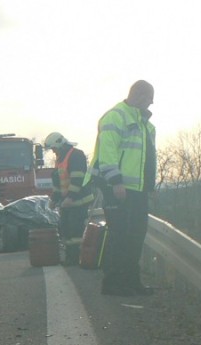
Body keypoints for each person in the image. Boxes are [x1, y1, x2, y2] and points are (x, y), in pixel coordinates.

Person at [85, 80, 157, 295]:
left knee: (135, 237)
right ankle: (113, 283)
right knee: (119, 236)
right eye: (150, 99)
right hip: (117, 187)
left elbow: (147, 159)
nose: (151, 104)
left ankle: (132, 282)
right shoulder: (115, 117)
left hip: (138, 189)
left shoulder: (145, 125)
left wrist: (149, 187)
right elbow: (108, 152)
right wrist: (116, 181)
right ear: (139, 96)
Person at [44, 131, 94, 265]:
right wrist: (54, 199)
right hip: (67, 202)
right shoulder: (60, 159)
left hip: (79, 201)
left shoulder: (76, 155)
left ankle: (76, 258)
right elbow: (58, 183)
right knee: (65, 229)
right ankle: (70, 257)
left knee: (75, 230)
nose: (53, 152)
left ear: (60, 145)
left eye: (54, 148)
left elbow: (77, 179)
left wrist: (70, 197)